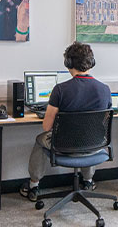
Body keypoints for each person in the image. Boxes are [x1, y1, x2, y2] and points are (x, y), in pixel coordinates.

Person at [19, 42, 111, 201]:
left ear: (68, 63)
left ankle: (33, 185)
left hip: (64, 146)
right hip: (95, 146)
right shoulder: (105, 89)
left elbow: (47, 126)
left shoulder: (60, 90)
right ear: (91, 63)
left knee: (40, 139)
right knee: (87, 135)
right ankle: (88, 181)